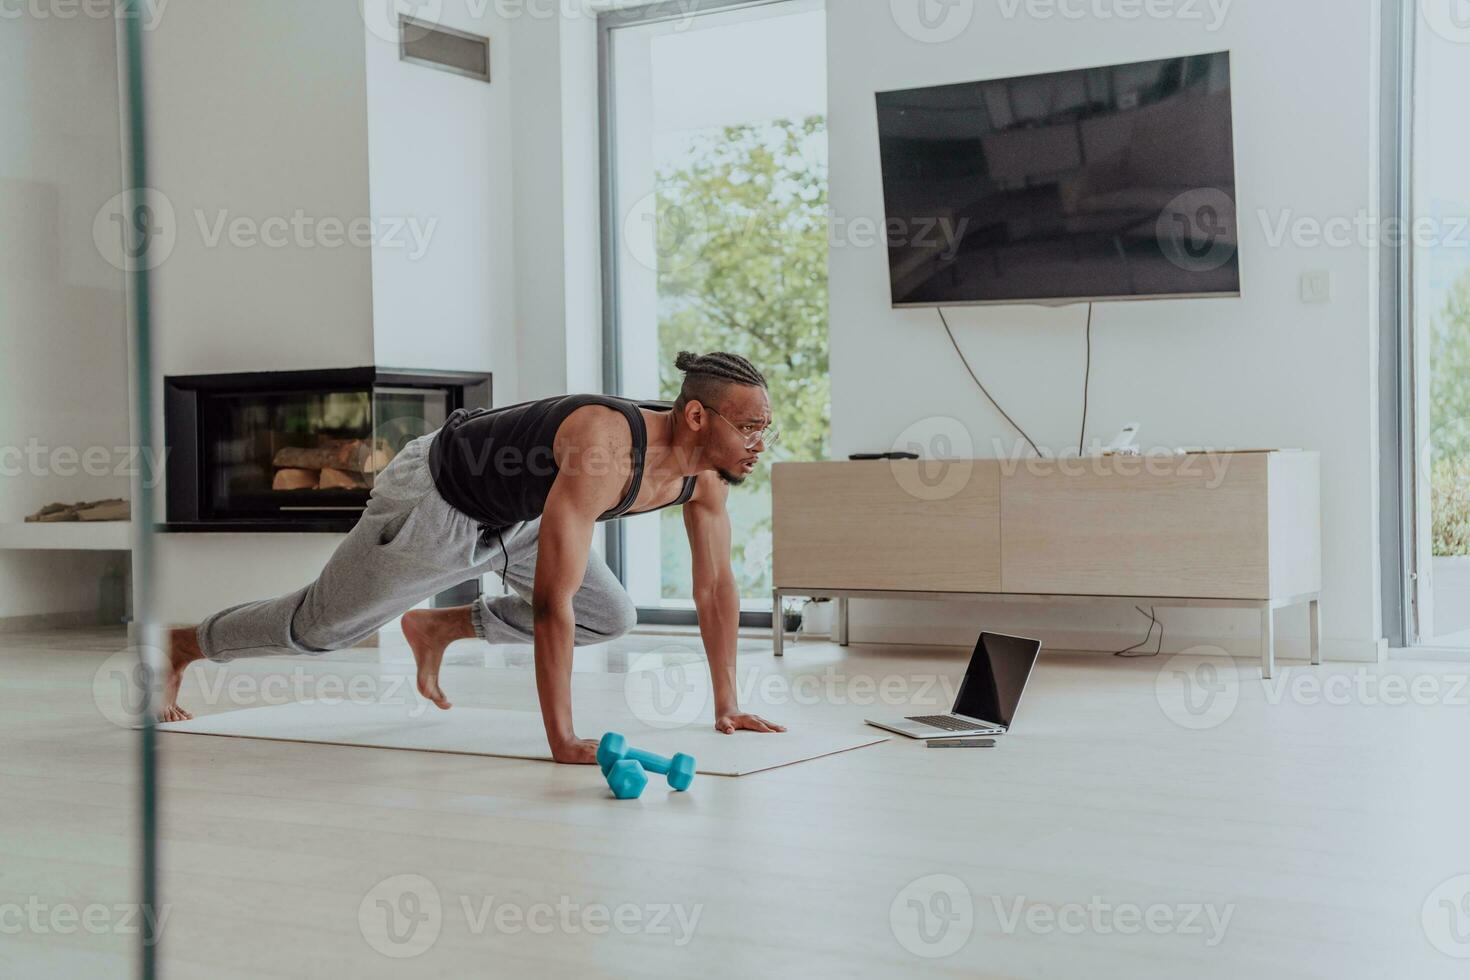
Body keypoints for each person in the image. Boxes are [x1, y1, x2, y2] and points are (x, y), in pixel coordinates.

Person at [159, 351, 787, 763]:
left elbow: (714, 590)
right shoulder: (606, 446)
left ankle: (438, 625)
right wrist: (561, 739)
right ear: (697, 415)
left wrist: (726, 704)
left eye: (766, 428)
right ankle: (183, 644)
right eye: (750, 427)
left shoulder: (701, 477)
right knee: (320, 631)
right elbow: (549, 603)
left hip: (523, 516)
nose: (760, 443)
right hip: (441, 497)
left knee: (611, 616)